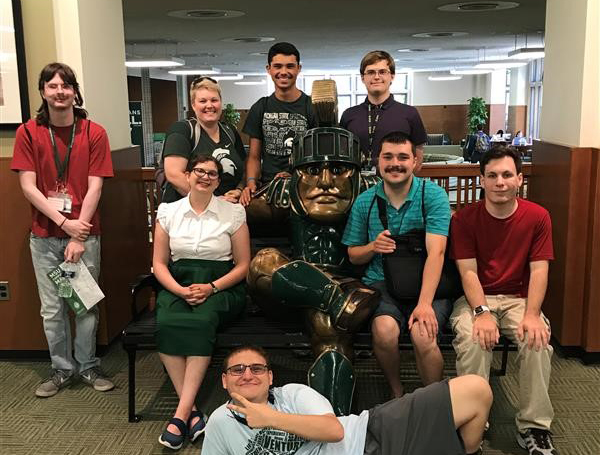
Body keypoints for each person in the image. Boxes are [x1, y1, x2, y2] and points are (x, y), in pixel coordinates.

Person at [11, 62, 114, 397]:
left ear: (74, 91)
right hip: (43, 238)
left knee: (83, 304)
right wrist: (63, 224)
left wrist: (76, 234)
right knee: (52, 309)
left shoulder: (93, 132)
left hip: (84, 236)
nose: (59, 92)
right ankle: (61, 369)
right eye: (52, 86)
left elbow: (95, 187)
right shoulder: (28, 132)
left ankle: (87, 367)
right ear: (43, 91)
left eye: (65, 86)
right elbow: (28, 187)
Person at [449, 145, 558, 455]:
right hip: (476, 297)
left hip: (519, 298)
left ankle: (534, 427)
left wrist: (533, 314)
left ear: (519, 179)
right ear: (481, 179)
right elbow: (468, 272)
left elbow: (539, 270)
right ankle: (473, 425)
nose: (500, 182)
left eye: (507, 175)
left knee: (537, 339)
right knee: (473, 338)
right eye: (492, 175)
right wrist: (481, 312)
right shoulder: (465, 219)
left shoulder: (538, 217)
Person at [202, 345, 492, 455]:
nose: (247, 374)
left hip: (369, 435)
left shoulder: (293, 394)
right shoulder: (219, 422)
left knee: (475, 390)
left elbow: (334, 431)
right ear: (225, 380)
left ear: (270, 377)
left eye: (257, 368)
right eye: (237, 370)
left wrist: (270, 418)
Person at [342, 131, 452, 398]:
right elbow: (354, 255)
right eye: (388, 157)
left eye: (403, 157)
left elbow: (436, 254)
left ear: (415, 161)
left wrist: (424, 304)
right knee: (384, 331)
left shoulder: (433, 196)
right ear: (377, 160)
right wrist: (372, 246)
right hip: (381, 283)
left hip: (427, 283)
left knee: (423, 334)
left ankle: (432, 400)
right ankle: (397, 393)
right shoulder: (365, 202)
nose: (395, 163)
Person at [153, 155, 250, 450]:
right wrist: (180, 291)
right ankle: (192, 412)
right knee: (166, 321)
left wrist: (211, 287)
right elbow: (158, 264)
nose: (205, 177)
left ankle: (180, 413)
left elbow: (244, 265)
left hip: (221, 286)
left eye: (212, 174)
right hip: (178, 283)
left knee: (201, 320)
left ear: (219, 181)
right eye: (200, 171)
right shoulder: (168, 212)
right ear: (188, 175)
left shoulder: (232, 213)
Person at [240, 42, 318, 206]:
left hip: (304, 188)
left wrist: (297, 175)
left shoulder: (311, 107)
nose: (284, 72)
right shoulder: (261, 107)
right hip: (268, 187)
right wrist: (251, 183)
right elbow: (254, 156)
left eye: (290, 66)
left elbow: (318, 156)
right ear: (269, 69)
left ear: (299, 68)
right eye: (278, 66)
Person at [161, 77, 246, 203]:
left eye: (214, 100)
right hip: (188, 214)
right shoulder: (182, 130)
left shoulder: (230, 131)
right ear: (193, 105)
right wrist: (214, 202)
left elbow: (244, 168)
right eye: (202, 101)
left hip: (227, 212)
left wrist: (239, 190)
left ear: (221, 103)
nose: (209, 105)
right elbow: (174, 175)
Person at [340, 50, 427, 168]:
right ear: (362, 78)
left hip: (396, 184)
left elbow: (417, 157)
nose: (376, 77)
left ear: (392, 76)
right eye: (370, 72)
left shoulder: (409, 113)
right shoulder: (349, 115)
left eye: (382, 72)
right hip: (357, 183)